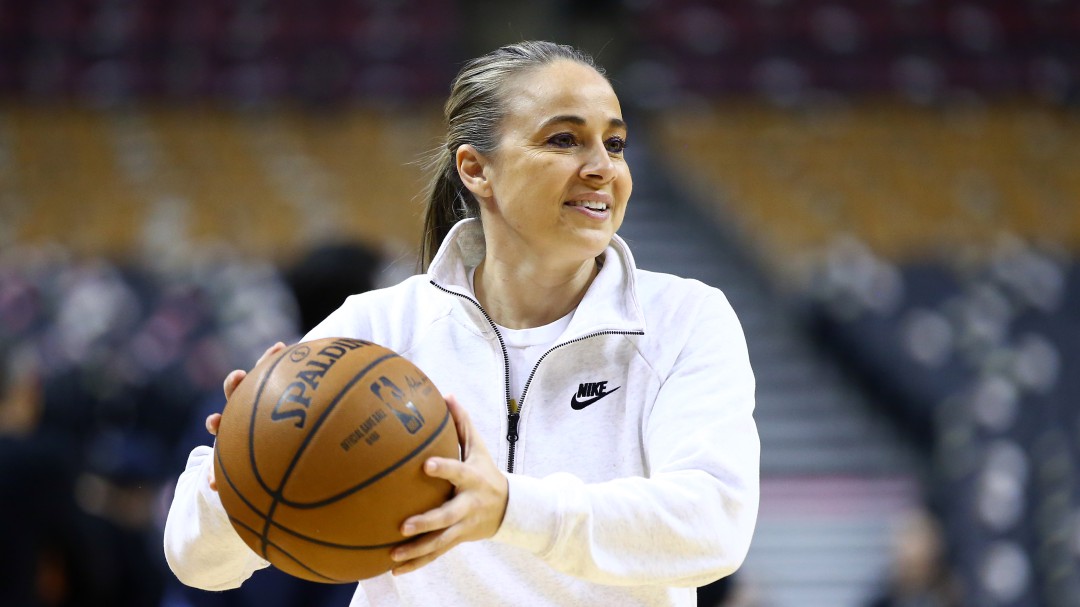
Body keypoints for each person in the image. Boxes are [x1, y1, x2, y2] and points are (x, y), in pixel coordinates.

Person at [164, 40, 759, 607]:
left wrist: (507, 507)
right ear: (477, 170)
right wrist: (246, 465)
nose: (603, 168)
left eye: (616, 143)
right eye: (564, 139)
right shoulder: (378, 328)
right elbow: (198, 562)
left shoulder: (684, 318)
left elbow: (714, 524)